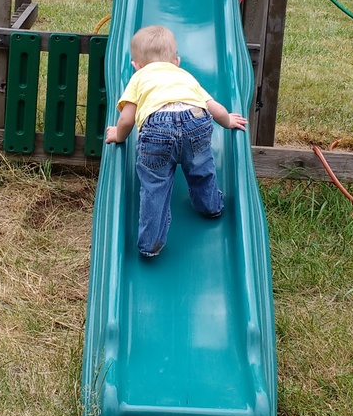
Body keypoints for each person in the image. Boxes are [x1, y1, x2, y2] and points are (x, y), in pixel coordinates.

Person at [105, 24, 247, 258]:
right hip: (197, 122)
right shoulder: (185, 76)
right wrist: (227, 120)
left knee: (155, 186)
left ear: (136, 65)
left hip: (157, 129)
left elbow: (127, 118)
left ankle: (150, 244)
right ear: (177, 61)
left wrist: (118, 135)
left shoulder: (139, 77)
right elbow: (213, 107)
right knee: (202, 169)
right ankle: (211, 207)